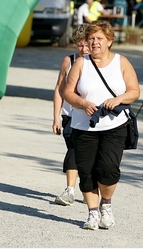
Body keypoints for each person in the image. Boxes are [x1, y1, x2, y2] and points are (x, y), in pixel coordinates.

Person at [64, 20, 140, 230]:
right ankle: (92, 213)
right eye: (91, 39)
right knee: (86, 171)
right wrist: (83, 103)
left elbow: (134, 91)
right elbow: (67, 92)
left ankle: (106, 204)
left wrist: (118, 100)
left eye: (99, 38)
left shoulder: (121, 62)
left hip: (115, 125)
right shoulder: (81, 63)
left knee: (108, 169)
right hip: (83, 125)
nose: (94, 42)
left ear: (109, 41)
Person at [52, 24, 90, 206]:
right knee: (73, 149)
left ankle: (83, 187)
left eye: (86, 45)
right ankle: (72, 190)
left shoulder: (98, 63)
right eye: (79, 45)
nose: (83, 49)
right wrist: (56, 116)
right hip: (70, 115)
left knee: (85, 153)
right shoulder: (69, 60)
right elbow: (60, 89)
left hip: (91, 116)